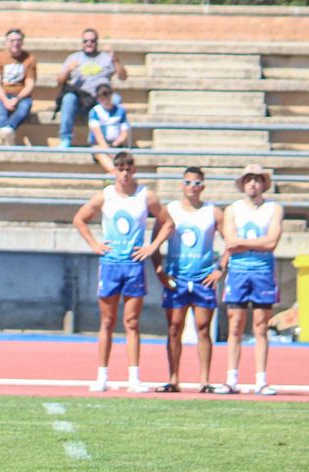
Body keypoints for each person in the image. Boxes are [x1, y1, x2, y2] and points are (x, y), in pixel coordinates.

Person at [72, 152, 167, 392]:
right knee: (107, 320)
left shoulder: (145, 195)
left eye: (128, 168)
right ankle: (102, 375)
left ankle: (134, 377)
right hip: (111, 264)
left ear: (134, 170)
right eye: (120, 168)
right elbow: (80, 219)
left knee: (132, 322)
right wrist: (95, 245)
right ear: (114, 171)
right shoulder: (106, 196)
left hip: (133, 264)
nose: (124, 173)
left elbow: (168, 222)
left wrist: (152, 247)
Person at [152, 166, 223, 393]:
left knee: (203, 328)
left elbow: (230, 240)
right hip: (177, 278)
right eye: (188, 182)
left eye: (197, 183)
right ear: (181, 184)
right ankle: (173, 378)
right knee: (174, 327)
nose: (192, 187)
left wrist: (220, 268)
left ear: (203, 186)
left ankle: (204, 380)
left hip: (203, 278)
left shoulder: (212, 212)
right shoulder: (170, 210)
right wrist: (159, 271)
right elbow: (155, 242)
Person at [219, 163, 283, 395]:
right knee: (235, 325)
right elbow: (229, 242)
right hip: (238, 272)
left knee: (261, 326)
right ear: (243, 183)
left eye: (257, 179)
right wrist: (258, 243)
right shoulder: (233, 209)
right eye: (249, 179)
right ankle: (231, 379)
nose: (253, 183)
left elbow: (271, 243)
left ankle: (261, 380)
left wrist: (242, 244)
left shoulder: (273, 209)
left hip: (263, 272)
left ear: (264, 183)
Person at [57, 29, 126, 150]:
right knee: (68, 98)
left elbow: (123, 77)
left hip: (102, 96)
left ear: (97, 42)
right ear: (82, 42)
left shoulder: (106, 57)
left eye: (92, 41)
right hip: (81, 98)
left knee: (116, 99)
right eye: (86, 41)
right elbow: (59, 81)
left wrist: (115, 60)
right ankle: (66, 138)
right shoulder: (74, 58)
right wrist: (68, 69)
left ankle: (114, 139)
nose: (89, 43)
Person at [0, 28, 38, 145]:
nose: (15, 43)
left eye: (18, 40)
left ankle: (8, 130)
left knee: (24, 108)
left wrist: (18, 98)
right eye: (12, 40)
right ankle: (8, 138)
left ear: (22, 42)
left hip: (21, 95)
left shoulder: (30, 59)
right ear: (6, 42)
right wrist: (5, 100)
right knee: (1, 115)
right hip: (2, 94)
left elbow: (30, 84)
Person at [85, 86, 131, 174]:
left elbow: (124, 131)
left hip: (116, 144)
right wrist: (108, 150)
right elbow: (97, 134)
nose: (105, 100)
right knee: (100, 153)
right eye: (102, 98)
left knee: (126, 157)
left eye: (107, 97)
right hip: (99, 145)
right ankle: (116, 174)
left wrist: (117, 143)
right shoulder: (95, 111)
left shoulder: (120, 110)